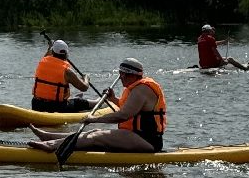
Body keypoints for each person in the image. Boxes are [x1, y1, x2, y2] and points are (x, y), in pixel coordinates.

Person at [27, 57, 167, 154]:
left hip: (148, 140)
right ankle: (50, 137)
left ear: (135, 76)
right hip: (134, 135)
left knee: (98, 136)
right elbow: (130, 109)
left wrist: (94, 119)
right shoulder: (134, 88)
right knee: (93, 132)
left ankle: (52, 146)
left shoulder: (142, 89)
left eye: (126, 75)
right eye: (120, 74)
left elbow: (123, 115)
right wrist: (113, 99)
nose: (122, 77)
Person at [31, 39, 96, 112]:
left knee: (69, 99)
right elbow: (84, 87)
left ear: (52, 52)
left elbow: (48, 54)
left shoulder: (42, 62)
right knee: (79, 102)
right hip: (56, 107)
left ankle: (74, 100)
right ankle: (98, 103)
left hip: (36, 104)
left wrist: (51, 46)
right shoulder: (67, 71)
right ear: (66, 54)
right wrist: (86, 78)